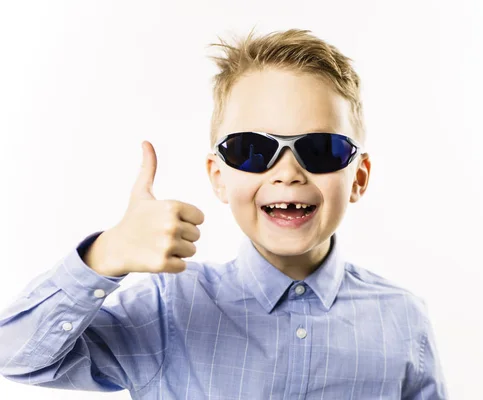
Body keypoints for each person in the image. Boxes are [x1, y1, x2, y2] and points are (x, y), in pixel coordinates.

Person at [0, 28, 448, 399]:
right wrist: (104, 255)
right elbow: (15, 357)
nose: (288, 173)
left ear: (360, 177)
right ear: (219, 176)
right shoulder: (166, 307)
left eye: (320, 149)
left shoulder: (401, 319)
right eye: (253, 150)